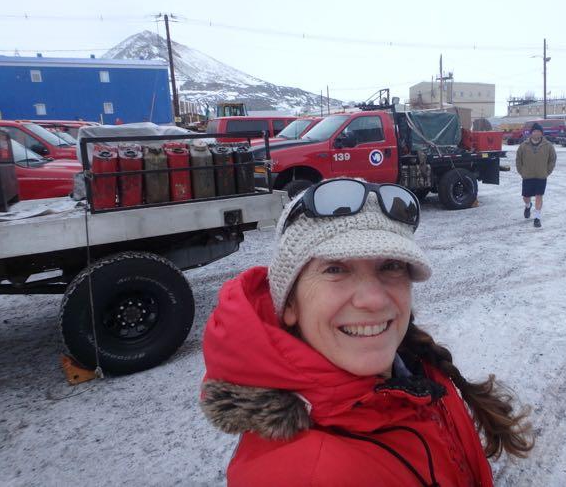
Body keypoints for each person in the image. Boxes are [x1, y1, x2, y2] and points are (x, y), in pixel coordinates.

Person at [200, 178, 533, 487]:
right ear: (290, 304)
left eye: (390, 266)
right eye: (335, 269)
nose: (373, 300)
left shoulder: (415, 369)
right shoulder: (305, 474)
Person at [516, 122, 557, 228]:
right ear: (531, 133)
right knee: (526, 196)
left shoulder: (548, 146)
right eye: (534, 131)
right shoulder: (523, 146)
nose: (536, 133)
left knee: (539, 196)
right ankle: (528, 205)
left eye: (538, 131)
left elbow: (552, 159)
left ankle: (537, 218)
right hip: (527, 175)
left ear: (541, 133)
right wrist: (522, 171)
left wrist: (547, 171)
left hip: (541, 176)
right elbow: (518, 160)